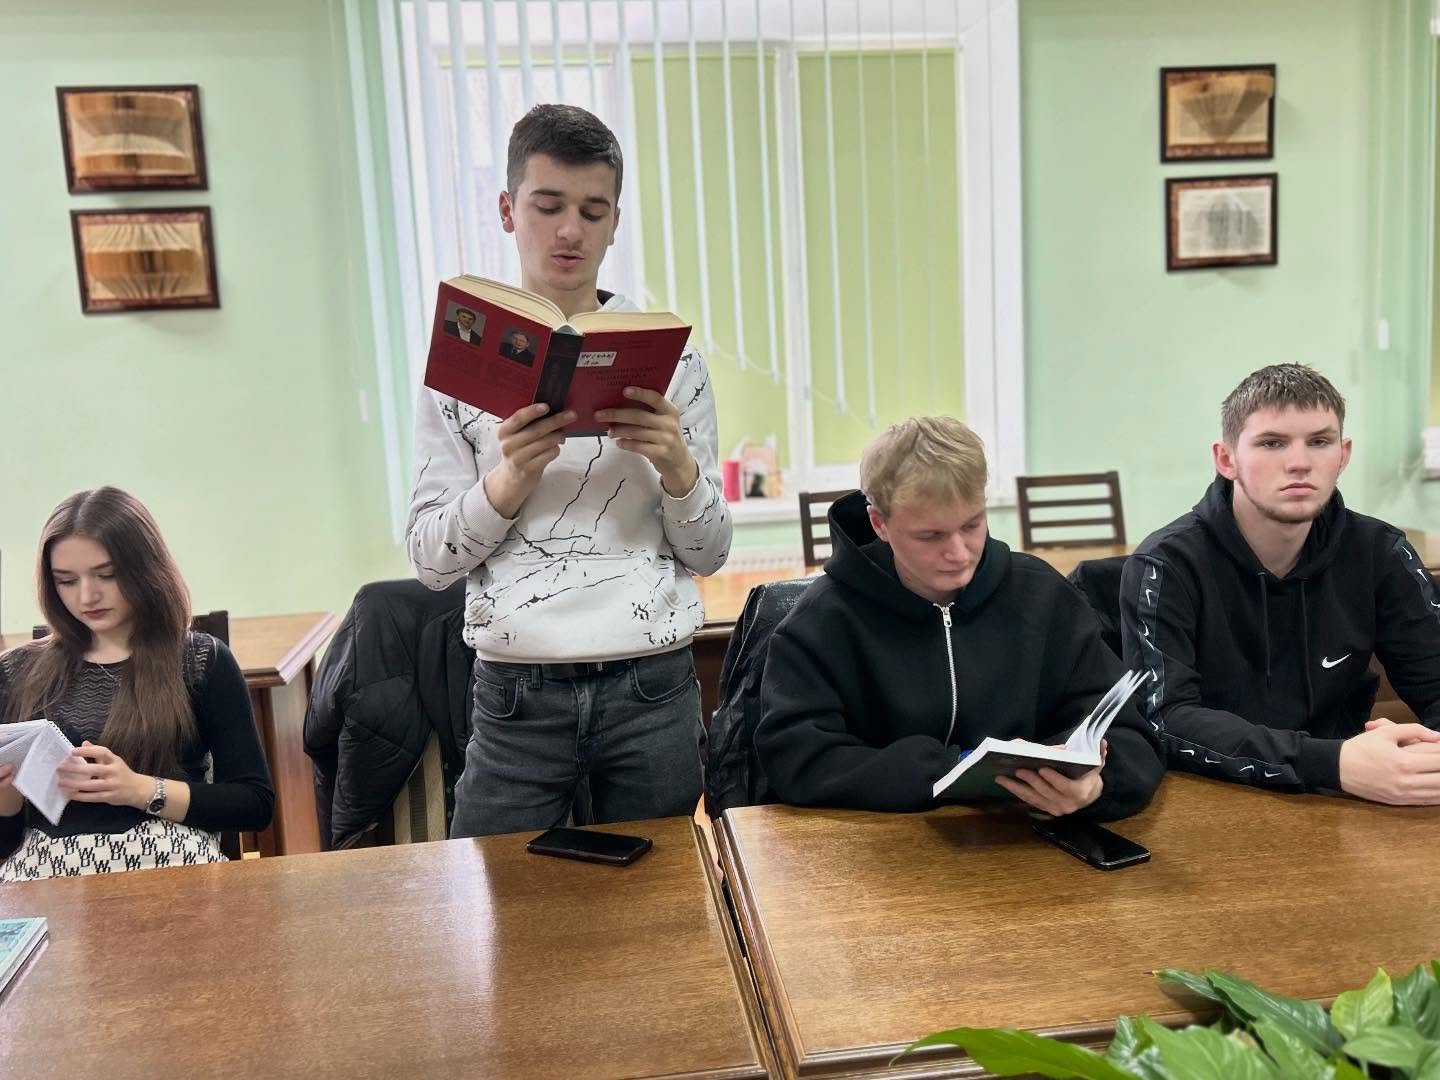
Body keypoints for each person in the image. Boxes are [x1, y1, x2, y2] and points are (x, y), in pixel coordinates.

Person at [407, 103, 732, 837]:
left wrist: (678, 467)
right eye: (548, 206)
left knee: (661, 898)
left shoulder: (674, 360)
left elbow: (711, 554)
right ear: (507, 209)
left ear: (616, 221)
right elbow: (429, 562)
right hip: (517, 688)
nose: (569, 231)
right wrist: (507, 482)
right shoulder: (460, 365)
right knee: (503, 897)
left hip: (652, 682)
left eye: (592, 211)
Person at [755, 416, 1164, 819]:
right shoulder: (822, 620)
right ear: (879, 523)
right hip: (881, 847)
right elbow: (796, 759)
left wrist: (1095, 787)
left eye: (972, 525)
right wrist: (952, 768)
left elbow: (1132, 736)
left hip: (1026, 842)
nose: (959, 552)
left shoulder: (1044, 597)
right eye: (930, 536)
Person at [1120, 364, 1440, 804]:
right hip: (1210, 799)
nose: (1299, 462)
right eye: (1272, 443)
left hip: (1347, 800)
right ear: (1226, 459)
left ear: (1343, 455)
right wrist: (1333, 762)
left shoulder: (1379, 551)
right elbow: (1165, 718)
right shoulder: (1166, 564)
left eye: (1320, 441)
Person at [0, 488, 274, 880]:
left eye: (106, 575)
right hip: (49, 876)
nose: (87, 596)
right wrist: (6, 794)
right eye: (66, 581)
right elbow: (6, 843)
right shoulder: (17, 671)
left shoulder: (199, 661)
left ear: (145, 569)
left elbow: (254, 803)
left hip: (167, 864)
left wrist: (138, 789)